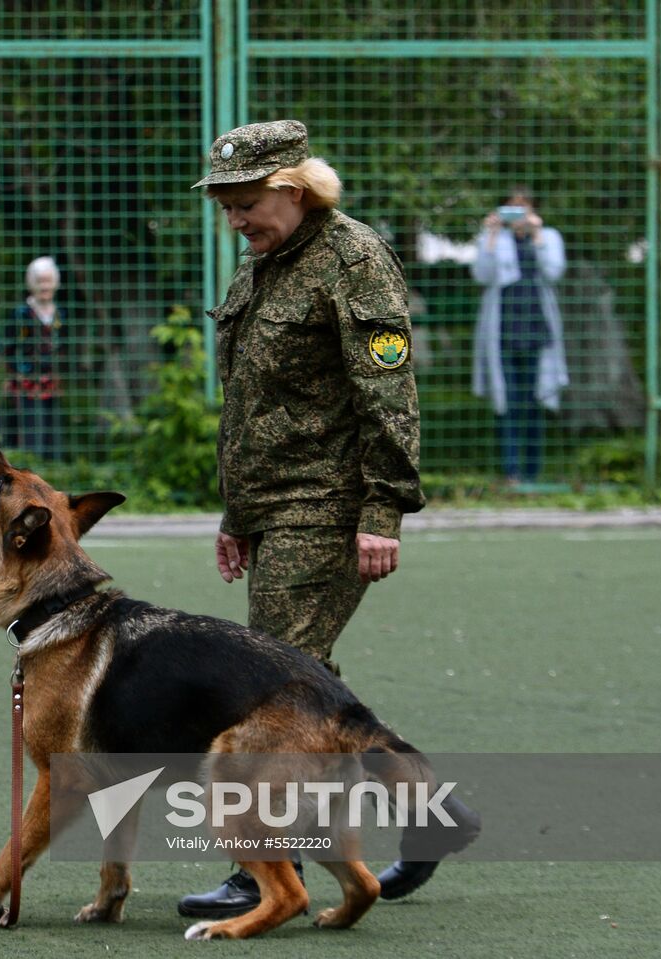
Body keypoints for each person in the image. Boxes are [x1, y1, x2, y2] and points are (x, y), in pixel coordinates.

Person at [175, 120, 475, 920]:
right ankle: (430, 812)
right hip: (273, 504)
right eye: (226, 206)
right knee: (309, 690)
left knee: (273, 688)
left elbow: (389, 392)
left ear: (293, 189)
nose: (235, 219)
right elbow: (250, 403)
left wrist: (382, 509)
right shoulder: (264, 261)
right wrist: (239, 512)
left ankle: (263, 873)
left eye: (246, 203)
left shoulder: (354, 259)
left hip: (330, 505)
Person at [471, 187, 567, 484]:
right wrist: (490, 236)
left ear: (534, 210)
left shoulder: (548, 237)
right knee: (507, 403)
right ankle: (511, 473)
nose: (518, 214)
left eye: (523, 208)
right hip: (502, 332)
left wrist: (537, 237)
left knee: (534, 402)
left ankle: (532, 473)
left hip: (536, 330)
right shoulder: (493, 238)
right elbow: (482, 275)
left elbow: (554, 272)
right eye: (511, 207)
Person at [1, 256, 64, 458]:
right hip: (25, 384)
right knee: (30, 436)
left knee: (53, 436)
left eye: (48, 281)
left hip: (52, 383)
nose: (44, 286)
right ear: (31, 284)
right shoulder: (21, 314)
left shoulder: (60, 314)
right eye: (40, 281)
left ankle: (53, 471)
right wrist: (12, 375)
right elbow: (5, 348)